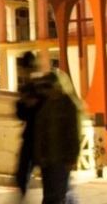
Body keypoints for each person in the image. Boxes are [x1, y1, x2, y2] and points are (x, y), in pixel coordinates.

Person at [34, 70, 83, 204]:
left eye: (49, 86)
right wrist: (40, 156)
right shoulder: (46, 105)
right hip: (48, 159)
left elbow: (74, 132)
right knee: (52, 195)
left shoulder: (69, 105)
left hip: (61, 158)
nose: (47, 91)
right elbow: (40, 131)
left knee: (58, 195)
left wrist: (72, 156)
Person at [14, 52, 41, 199]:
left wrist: (32, 105)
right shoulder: (25, 88)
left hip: (42, 137)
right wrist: (23, 104)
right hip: (30, 136)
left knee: (51, 176)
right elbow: (21, 114)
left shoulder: (41, 86)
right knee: (22, 174)